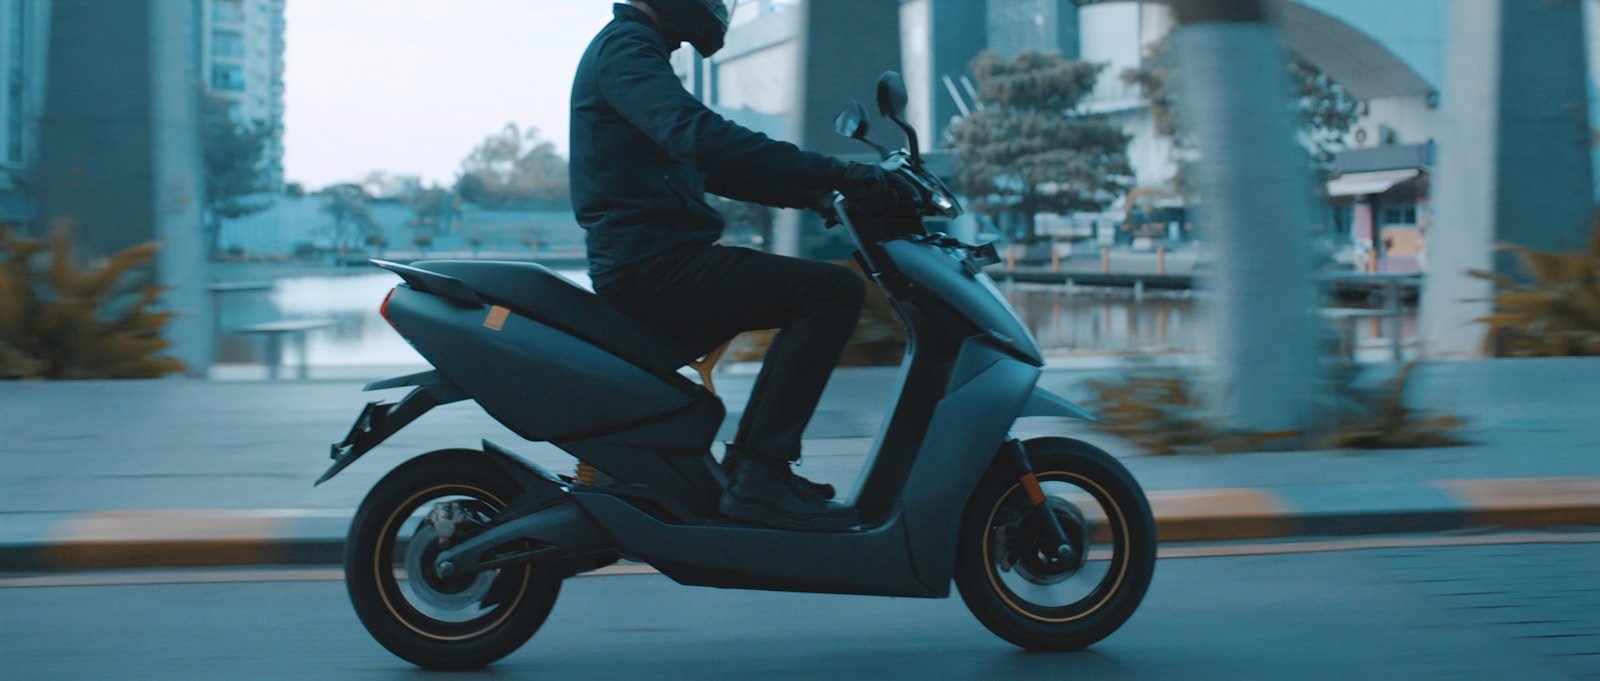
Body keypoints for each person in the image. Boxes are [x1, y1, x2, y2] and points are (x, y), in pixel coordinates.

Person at [569, 0, 913, 531]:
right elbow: (700, 138)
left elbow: (710, 167)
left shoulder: (638, 50)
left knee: (821, 290)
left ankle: (753, 474)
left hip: (654, 258)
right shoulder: (628, 49)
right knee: (830, 294)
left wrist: (819, 193)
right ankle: (761, 477)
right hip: (652, 266)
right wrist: (840, 172)